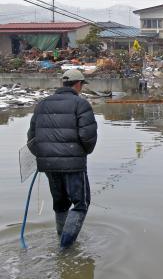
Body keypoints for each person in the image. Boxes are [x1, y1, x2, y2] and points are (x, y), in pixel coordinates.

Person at [27, 69, 97, 249]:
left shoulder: (42, 104)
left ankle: (61, 240)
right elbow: (88, 138)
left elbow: (32, 138)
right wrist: (80, 154)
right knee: (81, 204)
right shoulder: (81, 104)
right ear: (78, 84)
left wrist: (44, 156)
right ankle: (65, 248)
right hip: (73, 165)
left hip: (49, 165)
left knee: (60, 204)